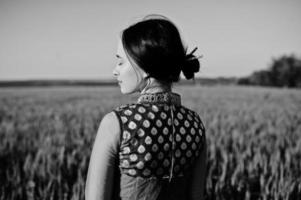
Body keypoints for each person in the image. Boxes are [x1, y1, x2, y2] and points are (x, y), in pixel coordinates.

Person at [85, 14, 207, 200]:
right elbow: (196, 196)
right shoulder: (195, 125)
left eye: (120, 61)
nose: (115, 70)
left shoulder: (117, 124)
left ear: (144, 66)